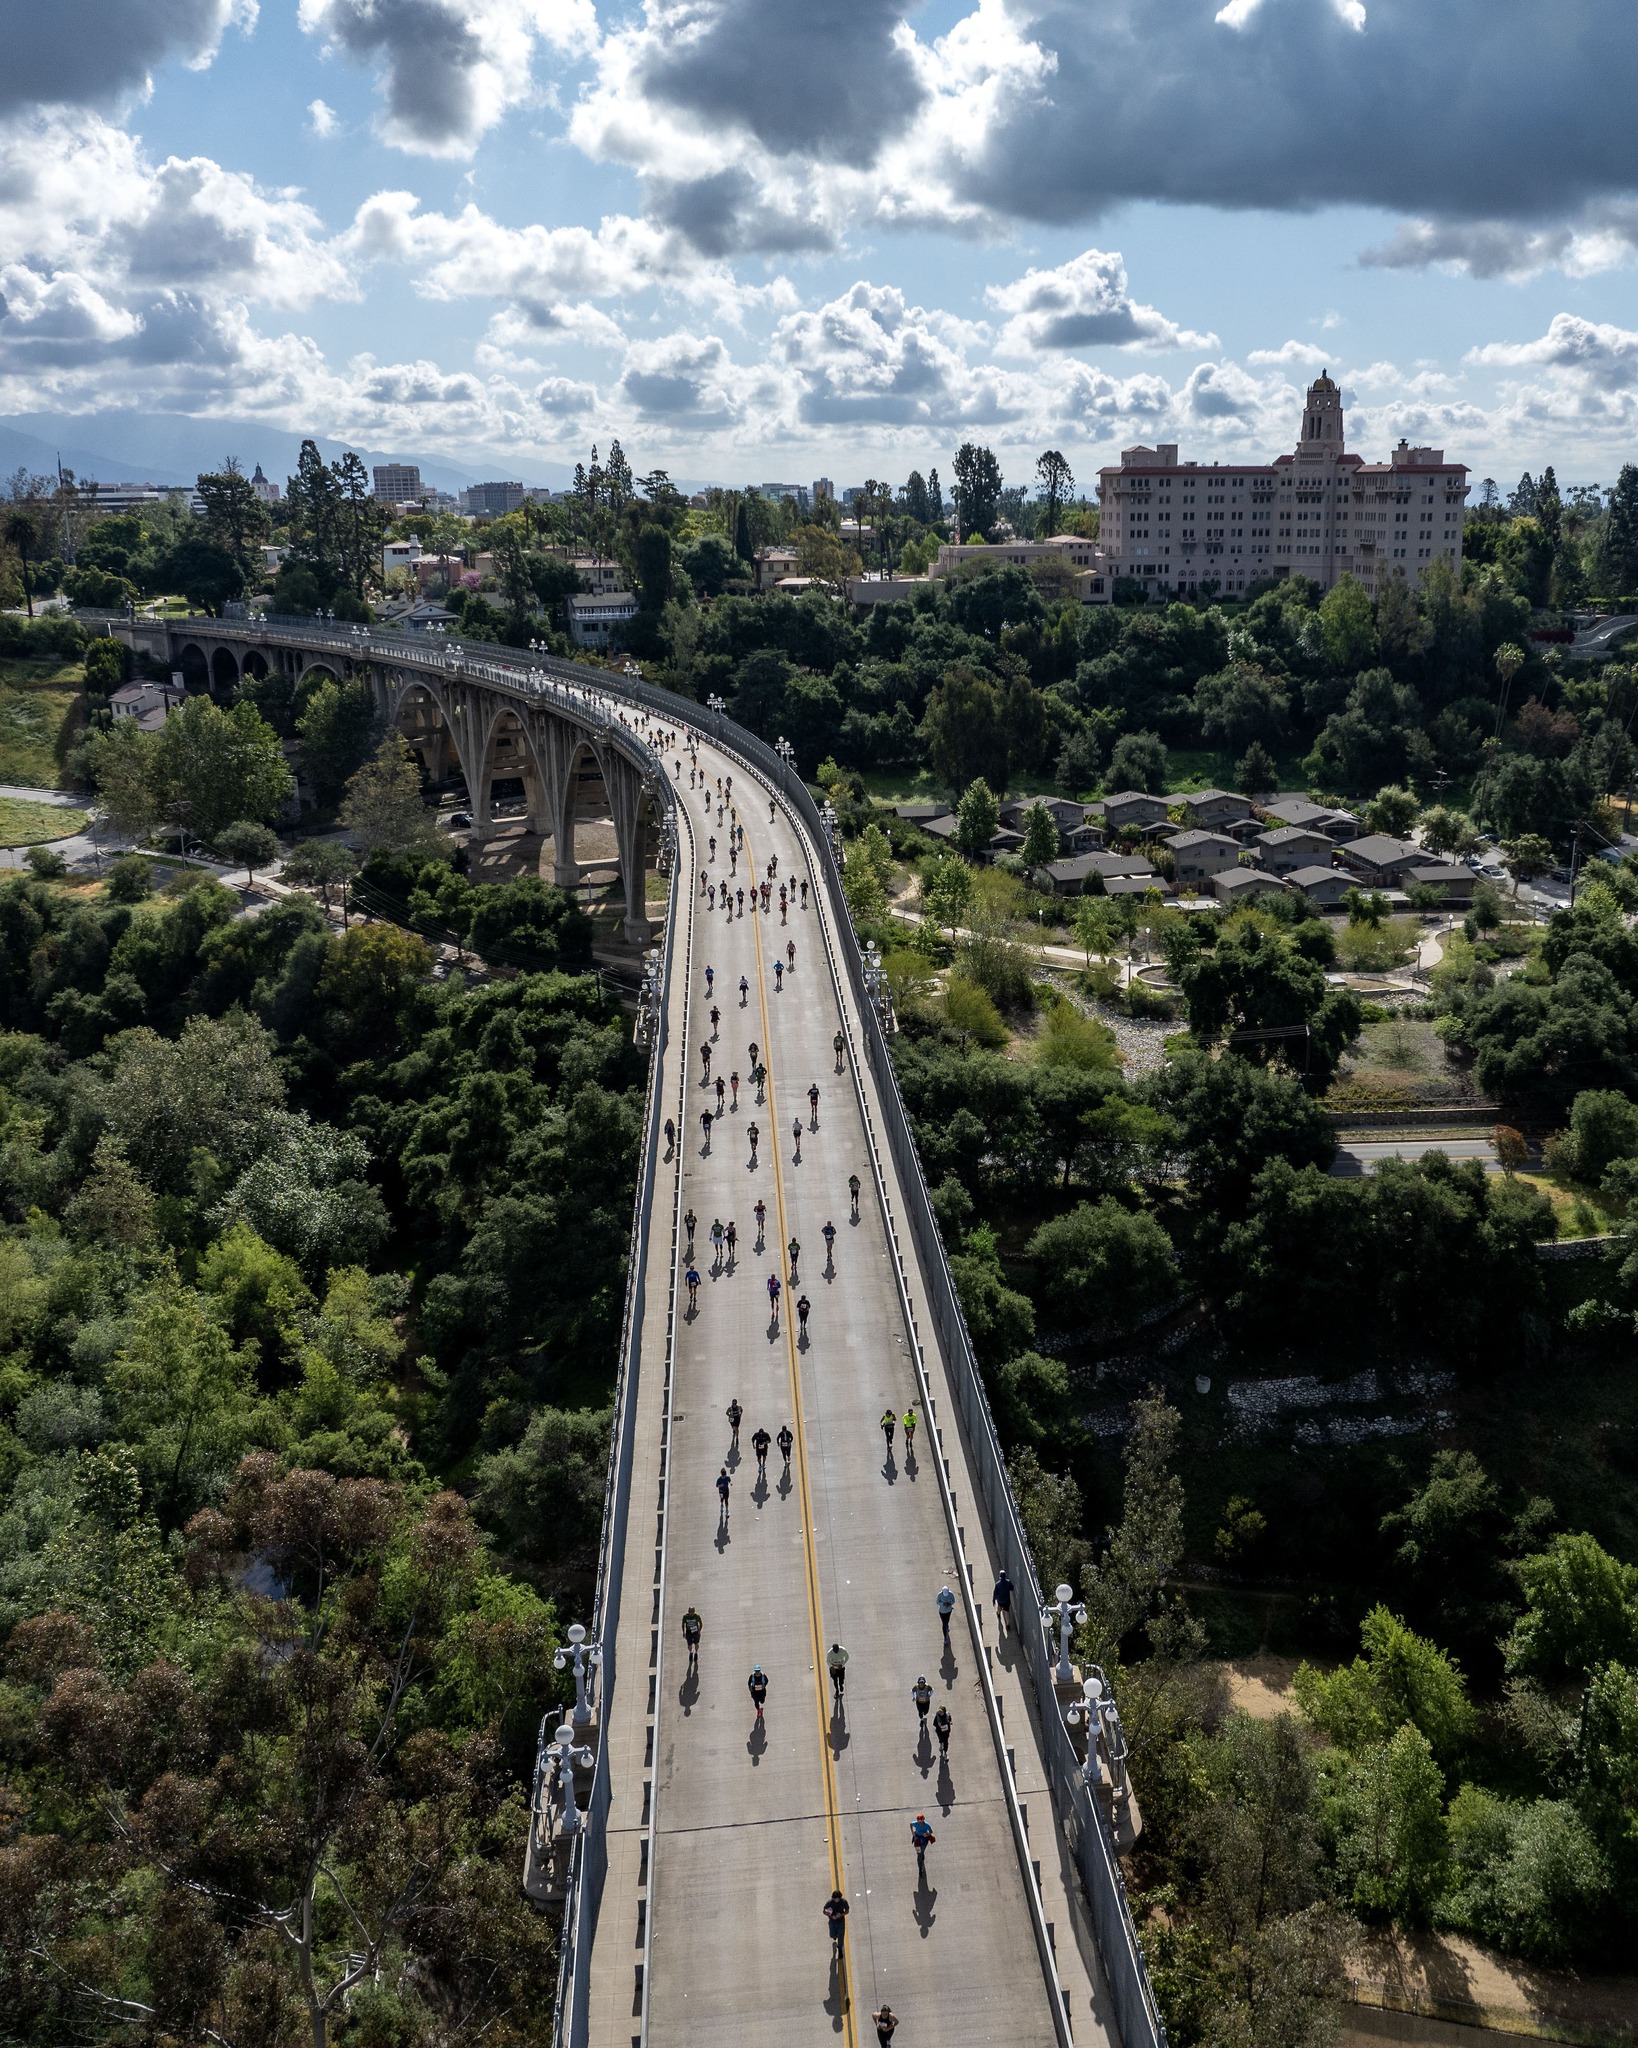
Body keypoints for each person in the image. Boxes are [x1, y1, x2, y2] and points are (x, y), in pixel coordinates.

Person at [824, 1889, 848, 1953]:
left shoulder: (844, 1902)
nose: (836, 1900)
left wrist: (841, 1914)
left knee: (841, 1935)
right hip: (832, 1921)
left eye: (837, 1899)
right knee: (832, 1934)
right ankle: (834, 1936)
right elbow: (824, 1911)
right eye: (835, 1899)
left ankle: (840, 1947)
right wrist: (832, 1916)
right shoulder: (829, 1903)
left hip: (841, 1921)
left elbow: (847, 1910)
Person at [993, 1570, 1014, 1636]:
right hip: (1007, 1599)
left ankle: (998, 1613)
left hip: (1000, 1599)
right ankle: (1007, 1624)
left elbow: (995, 1593)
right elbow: (1012, 1588)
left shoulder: (997, 1584)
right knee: (1006, 1611)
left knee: (999, 1607)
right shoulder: (1008, 1582)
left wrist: (993, 1599)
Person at [681, 1605, 702, 1671]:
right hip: (689, 1631)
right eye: (690, 1612)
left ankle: (696, 1652)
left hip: (695, 1631)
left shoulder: (697, 1616)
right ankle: (691, 1652)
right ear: (688, 1612)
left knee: (696, 1643)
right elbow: (683, 1624)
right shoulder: (685, 1617)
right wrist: (683, 1632)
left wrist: (699, 1630)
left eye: (692, 1612)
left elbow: (701, 1623)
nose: (691, 1613)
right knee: (689, 1645)